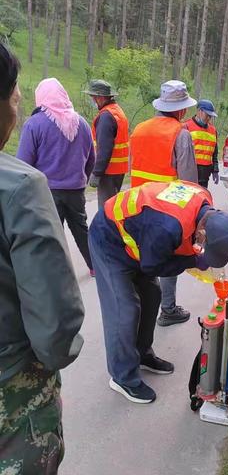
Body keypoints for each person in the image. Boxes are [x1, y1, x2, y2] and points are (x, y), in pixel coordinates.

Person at [0, 42, 85, 474]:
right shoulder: (17, 187)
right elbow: (55, 324)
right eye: (14, 94)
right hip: (11, 395)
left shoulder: (37, 126)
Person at [88, 180, 228, 403]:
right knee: (125, 309)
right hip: (109, 239)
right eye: (206, 245)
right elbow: (153, 266)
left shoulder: (203, 200)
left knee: (152, 295)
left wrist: (194, 255)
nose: (203, 247)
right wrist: (192, 260)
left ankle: (142, 353)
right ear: (203, 230)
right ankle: (122, 377)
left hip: (141, 236)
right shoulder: (167, 228)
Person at [130, 80, 198, 327]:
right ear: (181, 110)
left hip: (137, 205)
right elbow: (189, 182)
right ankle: (167, 309)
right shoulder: (180, 134)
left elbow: (132, 169)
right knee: (168, 257)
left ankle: (138, 308)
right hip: (167, 209)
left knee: (139, 257)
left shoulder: (138, 129)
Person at [17, 78, 96, 276]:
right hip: (76, 190)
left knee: (51, 233)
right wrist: (80, 179)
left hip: (47, 191)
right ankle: (95, 266)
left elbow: (23, 164)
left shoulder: (34, 124)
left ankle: (56, 274)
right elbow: (91, 159)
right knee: (81, 229)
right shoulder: (82, 124)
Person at [83, 79, 129, 209]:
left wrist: (97, 173)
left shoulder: (106, 117)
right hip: (118, 170)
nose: (92, 100)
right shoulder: (117, 111)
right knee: (113, 209)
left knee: (106, 211)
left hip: (108, 172)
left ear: (100, 97)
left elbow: (104, 148)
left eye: (93, 97)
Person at [184, 99, 219, 188]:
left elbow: (214, 153)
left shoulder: (213, 130)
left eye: (210, 116)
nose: (209, 118)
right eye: (207, 115)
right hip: (190, 174)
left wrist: (215, 170)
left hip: (205, 175)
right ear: (199, 111)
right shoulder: (186, 126)